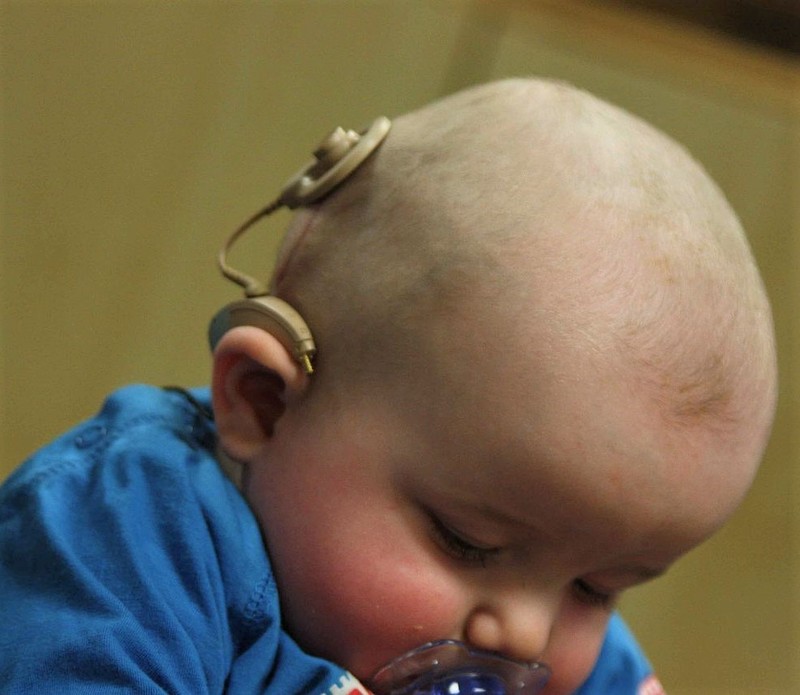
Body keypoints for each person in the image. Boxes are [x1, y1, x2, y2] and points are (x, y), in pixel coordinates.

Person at [0, 78, 776, 694]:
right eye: (468, 541)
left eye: (598, 588)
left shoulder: (567, 625)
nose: (526, 634)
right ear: (263, 402)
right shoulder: (125, 538)